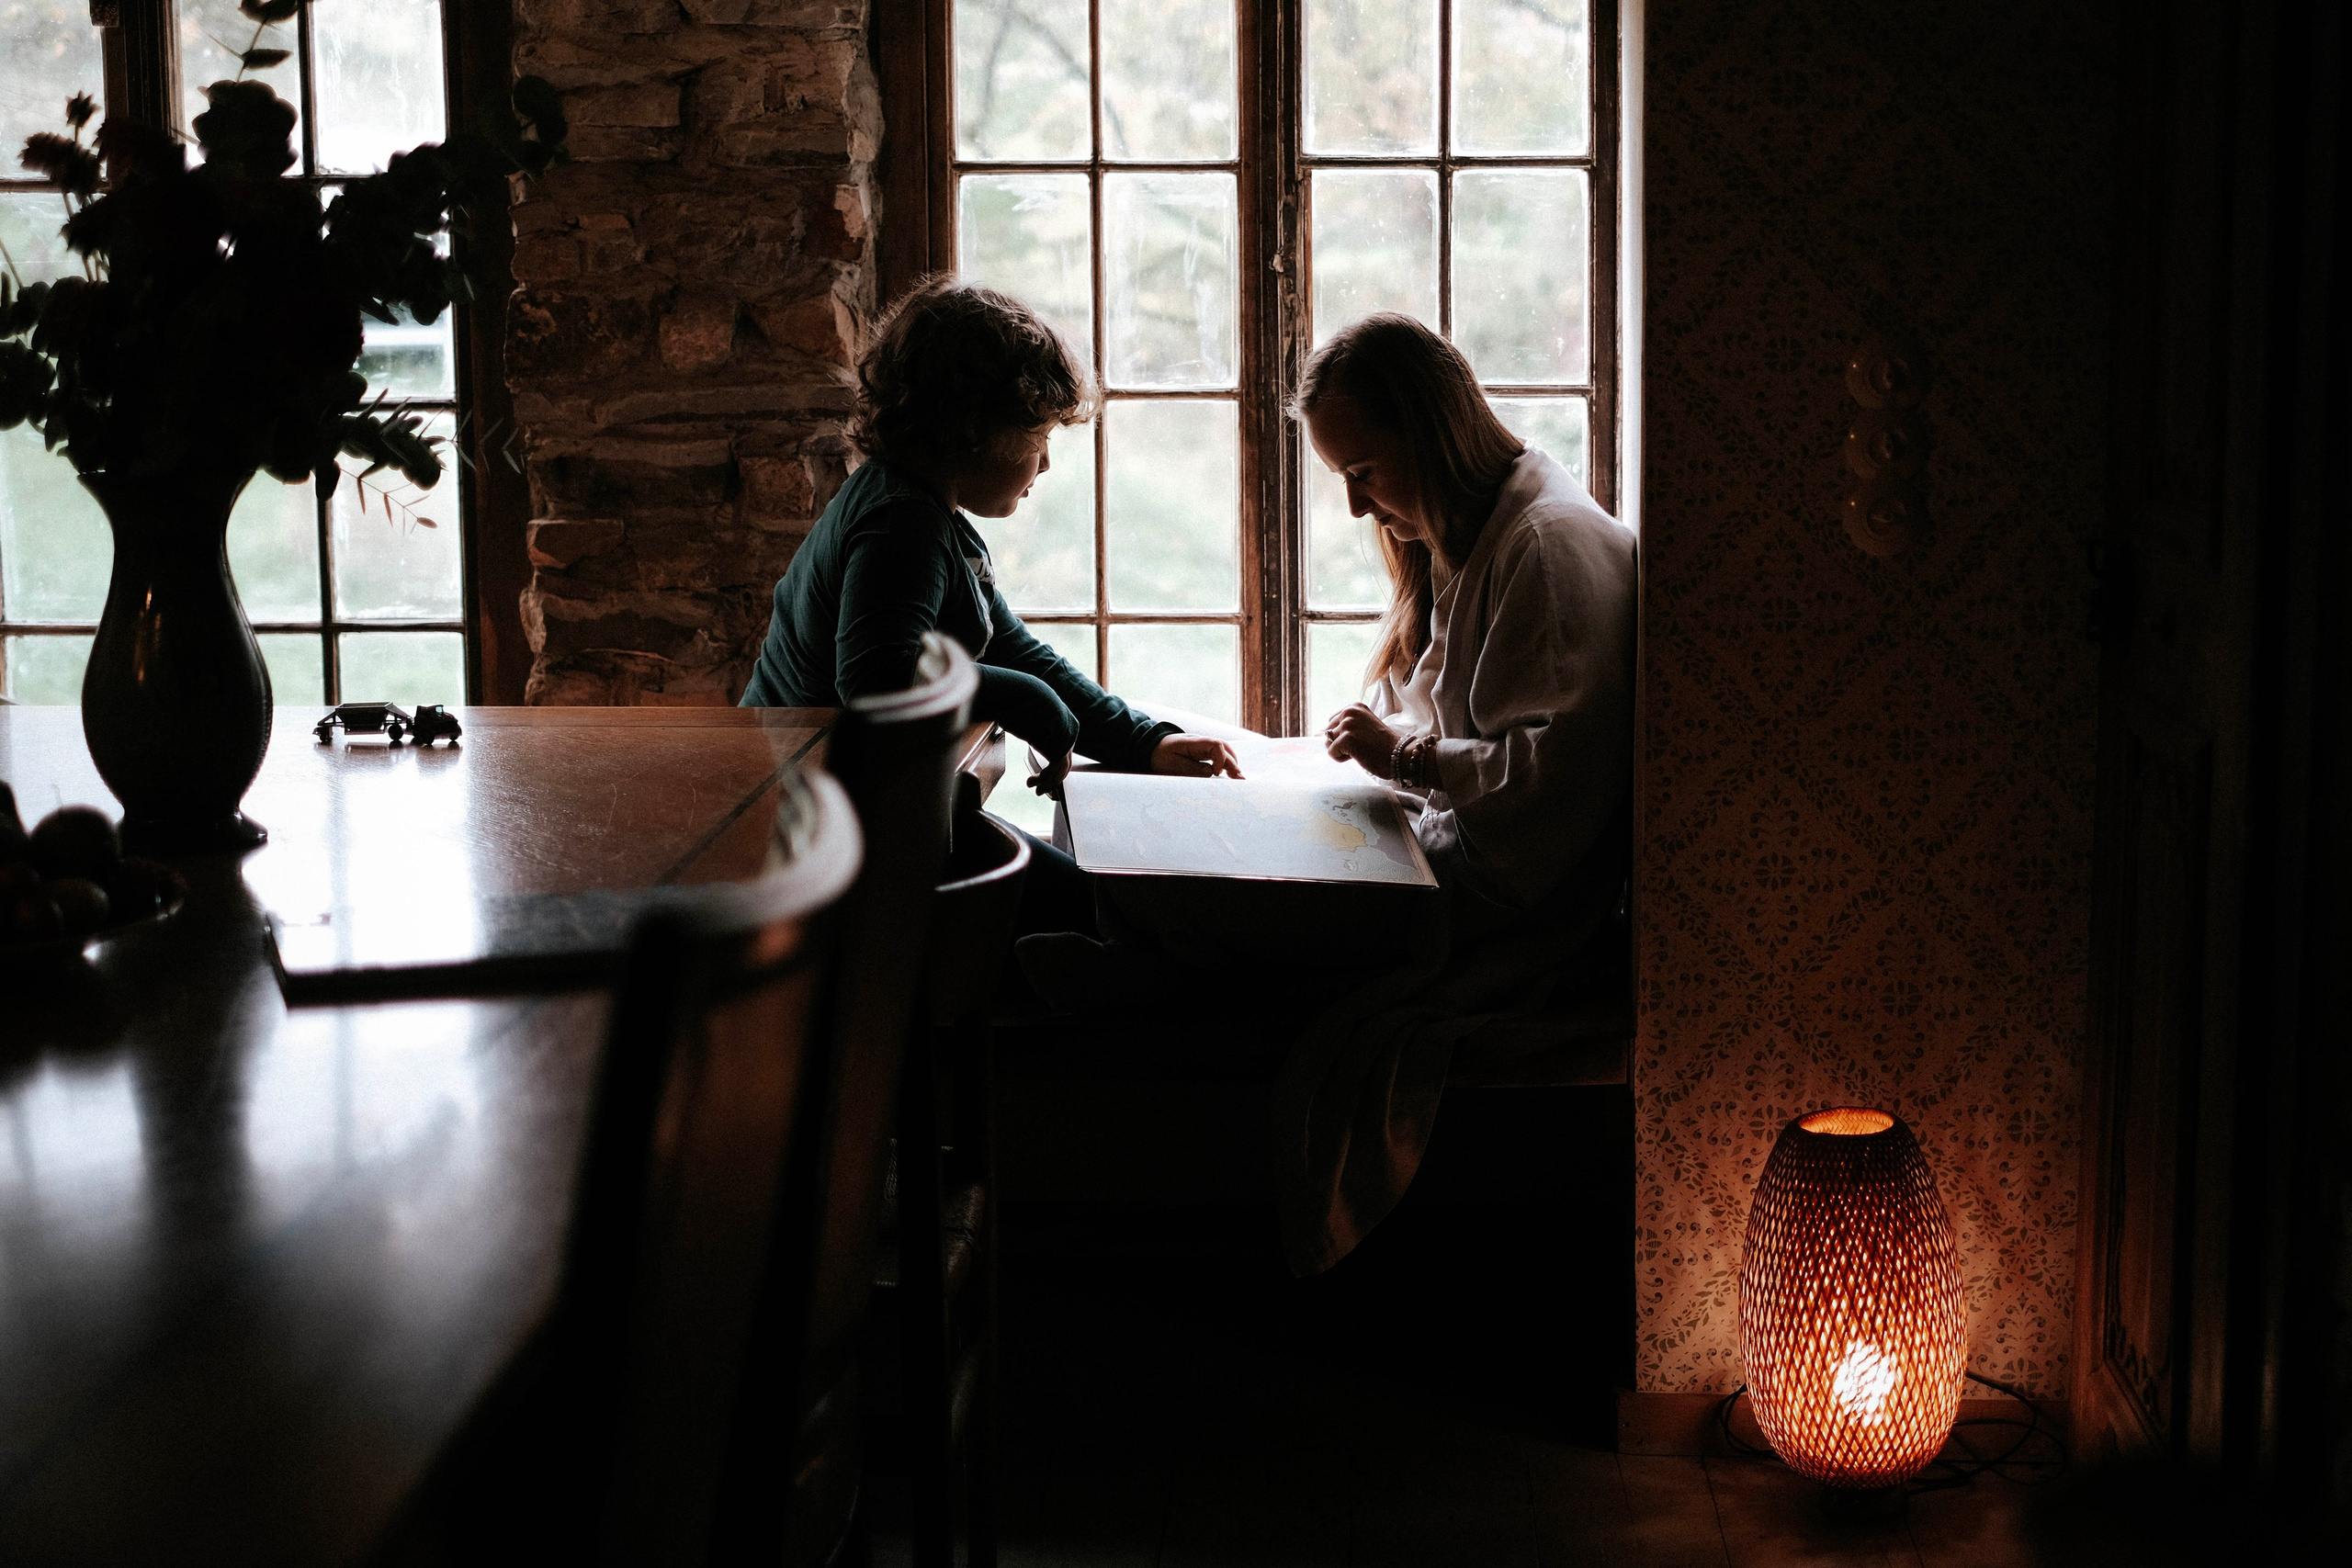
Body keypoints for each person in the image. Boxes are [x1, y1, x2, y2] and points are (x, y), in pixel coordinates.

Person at [1283, 312, 1637, 1273]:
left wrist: (1403, 759)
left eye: (1362, 471)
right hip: (1461, 855)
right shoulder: (1471, 535)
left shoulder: (1550, 547)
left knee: (1244, 927)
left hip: (1514, 896)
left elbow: (1548, 778)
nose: (1356, 508)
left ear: (1429, 433)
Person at [740, 276, 1240, 930]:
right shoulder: (901, 522)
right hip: (811, 835)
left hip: (859, 811)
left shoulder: (930, 515)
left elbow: (1018, 651)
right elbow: (875, 682)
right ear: (974, 429)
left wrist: (1141, 741)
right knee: (1096, 916)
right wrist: (1026, 701)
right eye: (1039, 438)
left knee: (1090, 907)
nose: (1045, 465)